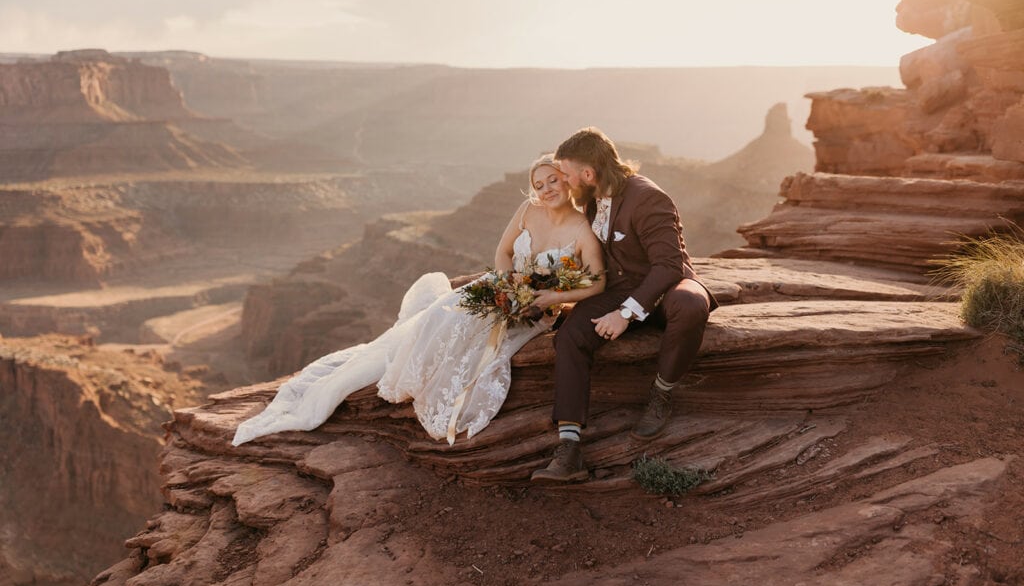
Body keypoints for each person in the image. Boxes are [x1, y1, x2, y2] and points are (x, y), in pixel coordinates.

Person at [232, 154, 605, 447]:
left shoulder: (582, 229)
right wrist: (507, 284)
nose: (546, 189)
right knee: (439, 316)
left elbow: (598, 282)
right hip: (500, 289)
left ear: (567, 180)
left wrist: (551, 296)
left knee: (470, 344)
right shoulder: (527, 211)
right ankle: (408, 374)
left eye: (552, 180)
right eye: (539, 184)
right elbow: (503, 252)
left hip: (533, 310)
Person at [531, 127, 718, 484]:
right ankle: (569, 449)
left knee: (692, 305)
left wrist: (625, 314)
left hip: (663, 286)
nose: (564, 183)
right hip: (615, 288)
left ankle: (661, 394)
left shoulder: (648, 198)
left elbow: (668, 265)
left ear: (588, 174)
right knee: (570, 336)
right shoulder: (587, 199)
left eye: (567, 174)